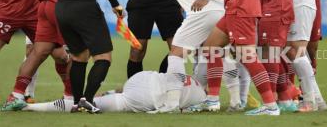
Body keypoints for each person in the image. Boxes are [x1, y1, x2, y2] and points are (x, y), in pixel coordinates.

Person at [107, 0, 241, 113]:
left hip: (200, 13)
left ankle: (171, 104)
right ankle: (235, 101)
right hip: (220, 10)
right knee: (219, 54)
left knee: (175, 55)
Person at [21, 71, 206, 113]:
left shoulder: (190, 76)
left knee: (89, 100)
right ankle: (30, 108)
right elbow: (186, 109)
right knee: (83, 108)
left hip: (141, 79)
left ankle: (27, 106)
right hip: (145, 98)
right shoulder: (202, 97)